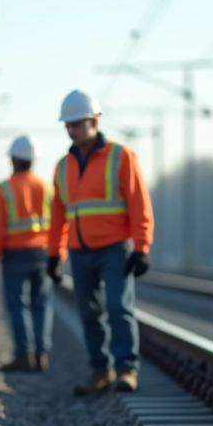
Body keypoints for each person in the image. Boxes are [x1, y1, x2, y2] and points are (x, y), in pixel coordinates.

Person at [46, 90, 154, 394]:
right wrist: (54, 254)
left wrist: (141, 247)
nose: (71, 130)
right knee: (89, 312)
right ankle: (100, 370)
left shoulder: (121, 157)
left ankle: (126, 370)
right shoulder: (62, 167)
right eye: (67, 125)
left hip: (114, 249)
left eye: (77, 124)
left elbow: (139, 204)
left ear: (94, 121)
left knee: (119, 307)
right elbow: (58, 216)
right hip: (80, 253)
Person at [0, 135, 54, 372]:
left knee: (17, 306)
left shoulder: (4, 189)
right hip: (43, 254)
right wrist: (57, 253)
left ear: (13, 160)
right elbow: (58, 222)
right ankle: (41, 354)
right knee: (41, 305)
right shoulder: (46, 188)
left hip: (15, 255)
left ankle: (24, 356)